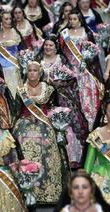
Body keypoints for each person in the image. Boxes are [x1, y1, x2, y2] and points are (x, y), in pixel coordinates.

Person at [12, 61, 69, 204]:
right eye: (30, 70)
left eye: (35, 70)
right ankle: (26, 190)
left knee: (48, 153)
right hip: (24, 126)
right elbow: (16, 111)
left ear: (40, 72)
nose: (32, 73)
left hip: (45, 126)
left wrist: (58, 125)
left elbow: (55, 109)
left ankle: (47, 191)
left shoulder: (49, 89)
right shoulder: (21, 90)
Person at [36, 35, 88, 168]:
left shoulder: (61, 60)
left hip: (63, 97)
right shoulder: (38, 61)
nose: (48, 47)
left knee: (68, 124)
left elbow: (72, 78)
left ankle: (71, 157)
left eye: (50, 45)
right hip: (44, 98)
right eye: (46, 45)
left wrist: (61, 83)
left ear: (56, 47)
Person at [59, 9, 103, 130]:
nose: (72, 22)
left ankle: (91, 124)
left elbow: (94, 52)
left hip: (86, 72)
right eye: (70, 19)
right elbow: (61, 52)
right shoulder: (64, 33)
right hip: (71, 71)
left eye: (75, 19)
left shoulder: (87, 33)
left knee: (88, 97)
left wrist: (88, 61)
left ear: (80, 20)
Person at [0, 10, 25, 98]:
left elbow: (22, 51)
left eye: (10, 18)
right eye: (6, 19)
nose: (9, 21)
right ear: (1, 21)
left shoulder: (16, 34)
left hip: (15, 70)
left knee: (17, 96)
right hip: (0, 71)